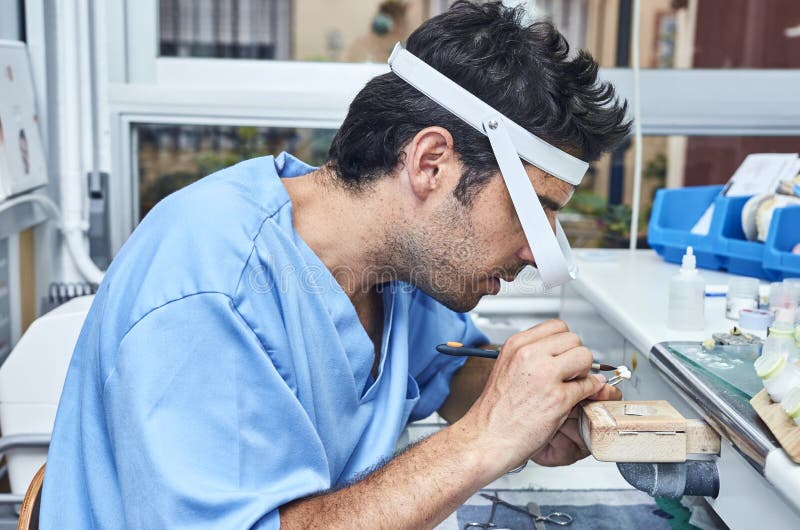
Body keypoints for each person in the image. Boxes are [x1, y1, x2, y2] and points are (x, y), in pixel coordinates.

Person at [41, 2, 630, 528]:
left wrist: (539, 409)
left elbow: (446, 370)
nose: (537, 251)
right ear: (430, 163)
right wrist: (487, 436)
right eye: (531, 212)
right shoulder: (212, 289)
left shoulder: (398, 268)